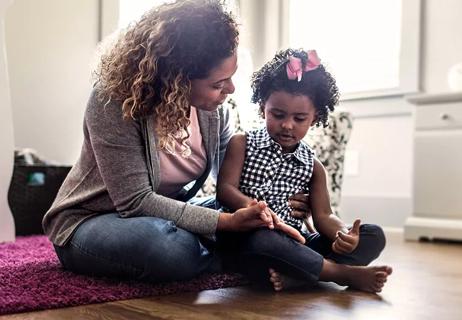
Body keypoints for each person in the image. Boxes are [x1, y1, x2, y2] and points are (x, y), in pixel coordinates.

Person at [42, 0, 307, 284]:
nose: (230, 89)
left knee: (244, 219)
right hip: (92, 220)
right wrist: (229, 224)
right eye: (218, 83)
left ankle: (243, 252)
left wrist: (274, 203)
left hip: (167, 215)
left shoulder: (214, 113)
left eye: (230, 78)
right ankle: (242, 256)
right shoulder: (112, 100)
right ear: (177, 79)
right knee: (168, 247)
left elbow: (236, 182)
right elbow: (136, 202)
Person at [216, 48, 392, 293]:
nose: (287, 125)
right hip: (248, 237)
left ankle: (301, 276)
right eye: (277, 115)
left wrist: (343, 234)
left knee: (373, 235)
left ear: (314, 117)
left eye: (299, 118)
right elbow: (224, 190)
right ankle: (340, 273)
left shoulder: (313, 165)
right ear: (262, 108)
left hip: (296, 242)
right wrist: (254, 209)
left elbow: (324, 216)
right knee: (264, 241)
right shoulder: (242, 144)